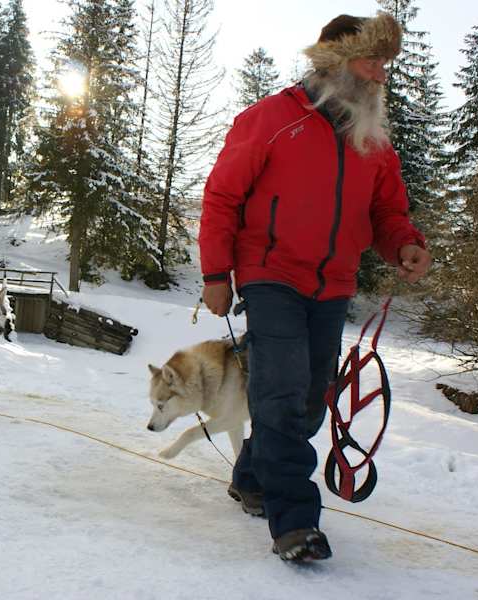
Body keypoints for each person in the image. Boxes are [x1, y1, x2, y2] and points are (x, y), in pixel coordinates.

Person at [198, 12, 432, 563]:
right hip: (270, 275)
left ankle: (251, 477)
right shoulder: (271, 119)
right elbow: (222, 197)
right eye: (371, 61)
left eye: (385, 64)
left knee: (306, 403)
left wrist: (403, 243)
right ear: (335, 60)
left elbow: (387, 210)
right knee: (279, 393)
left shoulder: (372, 139)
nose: (381, 74)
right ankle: (296, 522)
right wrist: (215, 275)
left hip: (333, 284)